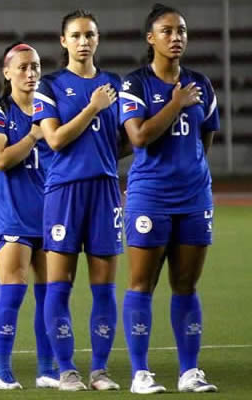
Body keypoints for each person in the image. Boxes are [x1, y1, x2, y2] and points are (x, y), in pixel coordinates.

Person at [119, 3, 219, 394]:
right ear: (150, 38)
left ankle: (189, 372)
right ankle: (140, 373)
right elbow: (138, 136)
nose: (176, 37)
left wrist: (190, 169)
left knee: (186, 285)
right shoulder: (136, 84)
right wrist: (175, 104)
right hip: (150, 197)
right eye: (167, 31)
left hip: (194, 196)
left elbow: (205, 137)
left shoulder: (201, 83)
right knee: (142, 283)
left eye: (181, 31)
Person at [32, 9, 124, 391]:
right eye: (76, 35)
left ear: (97, 40)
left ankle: (100, 371)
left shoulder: (114, 84)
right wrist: (91, 108)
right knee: (60, 284)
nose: (84, 41)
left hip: (105, 189)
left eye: (90, 35)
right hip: (64, 190)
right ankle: (67, 369)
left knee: (104, 285)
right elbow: (53, 139)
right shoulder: (50, 86)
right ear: (63, 41)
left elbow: (122, 141)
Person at [0, 42, 59, 390]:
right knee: (12, 293)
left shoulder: (52, 111)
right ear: (7, 72)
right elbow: (0, 159)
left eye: (36, 68)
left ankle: (47, 370)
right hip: (13, 217)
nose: (31, 74)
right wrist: (32, 134)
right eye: (24, 67)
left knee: (49, 296)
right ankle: (2, 372)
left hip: (50, 215)